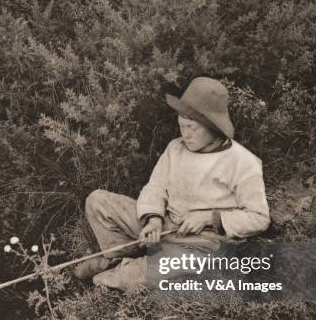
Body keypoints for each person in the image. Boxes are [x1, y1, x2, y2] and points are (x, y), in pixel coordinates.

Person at [74, 77, 271, 292]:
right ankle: (116, 257)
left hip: (203, 243)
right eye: (182, 126)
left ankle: (127, 271)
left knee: (131, 278)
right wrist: (154, 220)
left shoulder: (243, 162)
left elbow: (259, 218)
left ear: (212, 127)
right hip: (168, 225)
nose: (185, 134)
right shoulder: (175, 148)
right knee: (97, 201)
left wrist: (211, 217)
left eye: (192, 128)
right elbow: (155, 187)